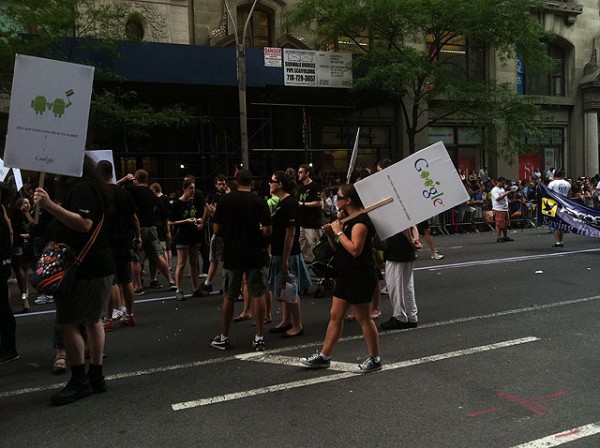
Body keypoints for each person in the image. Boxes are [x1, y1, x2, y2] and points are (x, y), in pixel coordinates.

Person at [33, 155, 115, 405]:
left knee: (67, 322)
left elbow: (84, 224)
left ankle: (80, 379)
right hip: (95, 266)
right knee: (92, 321)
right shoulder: (88, 187)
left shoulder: (82, 188)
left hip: (84, 268)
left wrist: (49, 205)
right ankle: (96, 376)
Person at [300, 183, 381, 373]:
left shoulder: (360, 221)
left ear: (348, 200)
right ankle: (324, 356)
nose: (337, 200)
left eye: (339, 197)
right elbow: (339, 249)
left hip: (360, 274)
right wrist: (331, 235)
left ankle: (375, 358)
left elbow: (355, 249)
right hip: (345, 273)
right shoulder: (347, 219)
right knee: (336, 315)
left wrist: (338, 231)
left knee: (363, 317)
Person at [209, 169, 272, 351]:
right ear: (251, 183)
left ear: (235, 183)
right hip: (254, 251)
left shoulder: (224, 201)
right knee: (257, 293)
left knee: (229, 295)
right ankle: (259, 336)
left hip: (232, 252)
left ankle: (224, 336)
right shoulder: (259, 202)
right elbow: (268, 229)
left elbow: (216, 229)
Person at [96, 160, 141, 328]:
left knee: (110, 280)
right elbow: (134, 217)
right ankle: (129, 314)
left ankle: (108, 319)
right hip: (124, 240)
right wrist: (137, 236)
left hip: (105, 242)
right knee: (126, 278)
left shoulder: (99, 194)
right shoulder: (123, 193)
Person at [268, 171, 311, 338]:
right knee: (284, 287)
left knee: (291, 289)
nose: (269, 184)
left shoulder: (289, 204)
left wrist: (285, 259)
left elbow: (290, 233)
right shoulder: (281, 202)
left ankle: (297, 325)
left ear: (279, 184)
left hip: (289, 253)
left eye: (272, 181)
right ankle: (286, 320)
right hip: (280, 252)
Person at [123, 170, 176, 292]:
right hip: (152, 228)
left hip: (139, 228)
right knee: (158, 256)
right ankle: (171, 281)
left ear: (136, 179)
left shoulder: (132, 191)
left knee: (135, 258)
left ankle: (138, 286)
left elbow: (116, 189)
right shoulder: (151, 194)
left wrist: (125, 180)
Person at [376, 227, 420, 330]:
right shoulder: (405, 211)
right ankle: (411, 316)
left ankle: (400, 317)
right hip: (406, 251)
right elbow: (413, 226)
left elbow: (405, 228)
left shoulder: (394, 212)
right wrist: (415, 240)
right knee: (407, 286)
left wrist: (412, 242)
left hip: (396, 250)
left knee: (395, 286)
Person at [169, 179, 204, 300]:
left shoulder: (192, 202)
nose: (193, 191)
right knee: (181, 263)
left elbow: (198, 215)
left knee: (194, 263)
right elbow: (170, 222)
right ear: (184, 189)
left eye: (194, 188)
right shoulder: (176, 204)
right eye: (191, 188)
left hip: (193, 235)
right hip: (182, 236)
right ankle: (179, 289)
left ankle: (196, 288)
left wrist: (199, 221)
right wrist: (185, 221)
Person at [0, 186, 18, 365]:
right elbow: (11, 233)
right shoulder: (2, 208)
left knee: (3, 308)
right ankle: (8, 347)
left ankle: (9, 348)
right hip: (3, 261)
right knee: (3, 307)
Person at [201, 174, 228, 295]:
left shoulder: (225, 197)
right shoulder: (215, 197)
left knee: (217, 259)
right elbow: (208, 208)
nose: (221, 186)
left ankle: (209, 283)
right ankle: (211, 283)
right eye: (219, 184)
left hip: (222, 232)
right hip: (220, 232)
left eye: (223, 184)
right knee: (217, 259)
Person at [297, 164, 322, 264]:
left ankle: (320, 265)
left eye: (301, 172)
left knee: (315, 246)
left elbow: (318, 203)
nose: (298, 174)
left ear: (307, 173)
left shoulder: (314, 186)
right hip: (302, 222)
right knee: (300, 245)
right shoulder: (301, 187)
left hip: (312, 223)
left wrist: (302, 204)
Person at [547, 168, 571, 247]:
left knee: (555, 224)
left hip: (554, 205)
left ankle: (557, 241)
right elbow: (569, 195)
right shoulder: (568, 184)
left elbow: (548, 194)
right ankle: (561, 240)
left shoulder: (552, 183)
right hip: (564, 204)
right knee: (562, 223)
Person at [491, 177, 514, 243]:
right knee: (499, 224)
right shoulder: (494, 190)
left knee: (505, 224)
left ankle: (505, 236)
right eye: (502, 183)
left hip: (505, 208)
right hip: (498, 208)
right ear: (499, 182)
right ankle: (498, 237)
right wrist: (506, 194)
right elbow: (497, 198)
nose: (503, 184)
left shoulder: (502, 189)